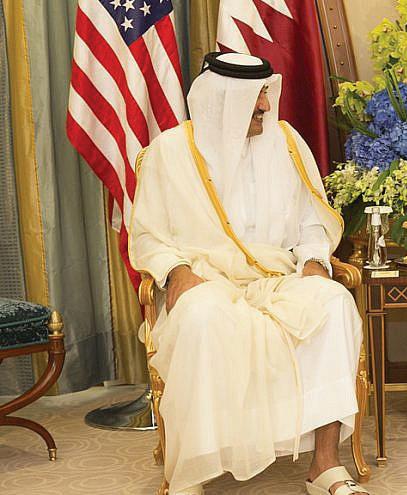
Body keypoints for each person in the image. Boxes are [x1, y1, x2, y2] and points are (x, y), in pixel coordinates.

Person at [130, 52, 368, 495]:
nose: (265, 105)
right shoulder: (171, 152)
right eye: (255, 96)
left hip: (278, 277)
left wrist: (314, 261)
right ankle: (191, 474)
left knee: (334, 302)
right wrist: (175, 270)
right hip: (206, 279)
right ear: (222, 100)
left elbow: (311, 222)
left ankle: (325, 466)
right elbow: (148, 235)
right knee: (201, 316)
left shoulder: (286, 142)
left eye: (265, 92)